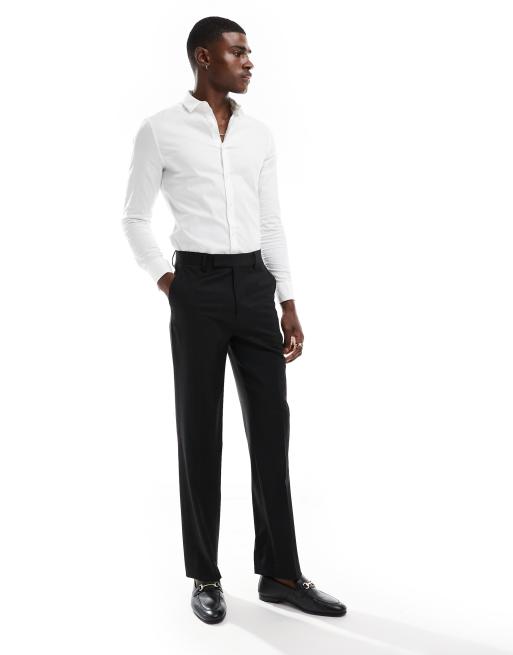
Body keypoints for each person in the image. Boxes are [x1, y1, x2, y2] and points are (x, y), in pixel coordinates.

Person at [121, 15, 347, 624]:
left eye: (249, 52)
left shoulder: (259, 135)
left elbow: (269, 220)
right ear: (204, 57)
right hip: (195, 287)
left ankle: (280, 574)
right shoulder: (160, 130)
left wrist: (288, 299)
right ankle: (205, 575)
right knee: (199, 431)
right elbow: (134, 217)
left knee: (271, 427)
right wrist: (170, 282)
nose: (249, 62)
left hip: (254, 285)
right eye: (237, 52)